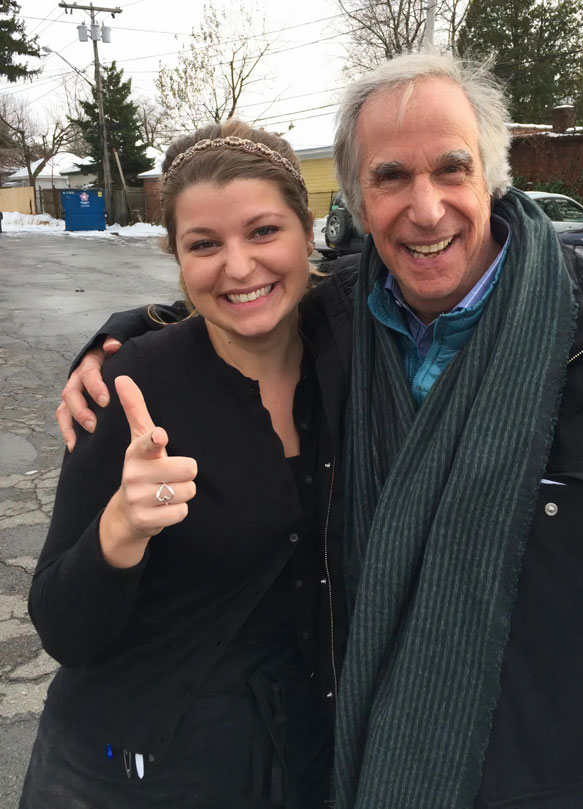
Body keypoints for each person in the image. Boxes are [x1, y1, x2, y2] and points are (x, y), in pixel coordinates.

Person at [58, 54, 583, 808]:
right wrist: (124, 340)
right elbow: (243, 299)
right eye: (392, 176)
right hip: (360, 771)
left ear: (493, 176)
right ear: (360, 199)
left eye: (452, 170)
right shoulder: (336, 328)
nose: (425, 210)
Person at [21, 119, 355, 809]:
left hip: (297, 759)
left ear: (307, 227)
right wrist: (119, 531)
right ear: (177, 255)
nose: (238, 265)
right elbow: (61, 627)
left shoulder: (354, 348)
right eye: (205, 244)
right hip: (127, 769)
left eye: (264, 232)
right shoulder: (134, 387)